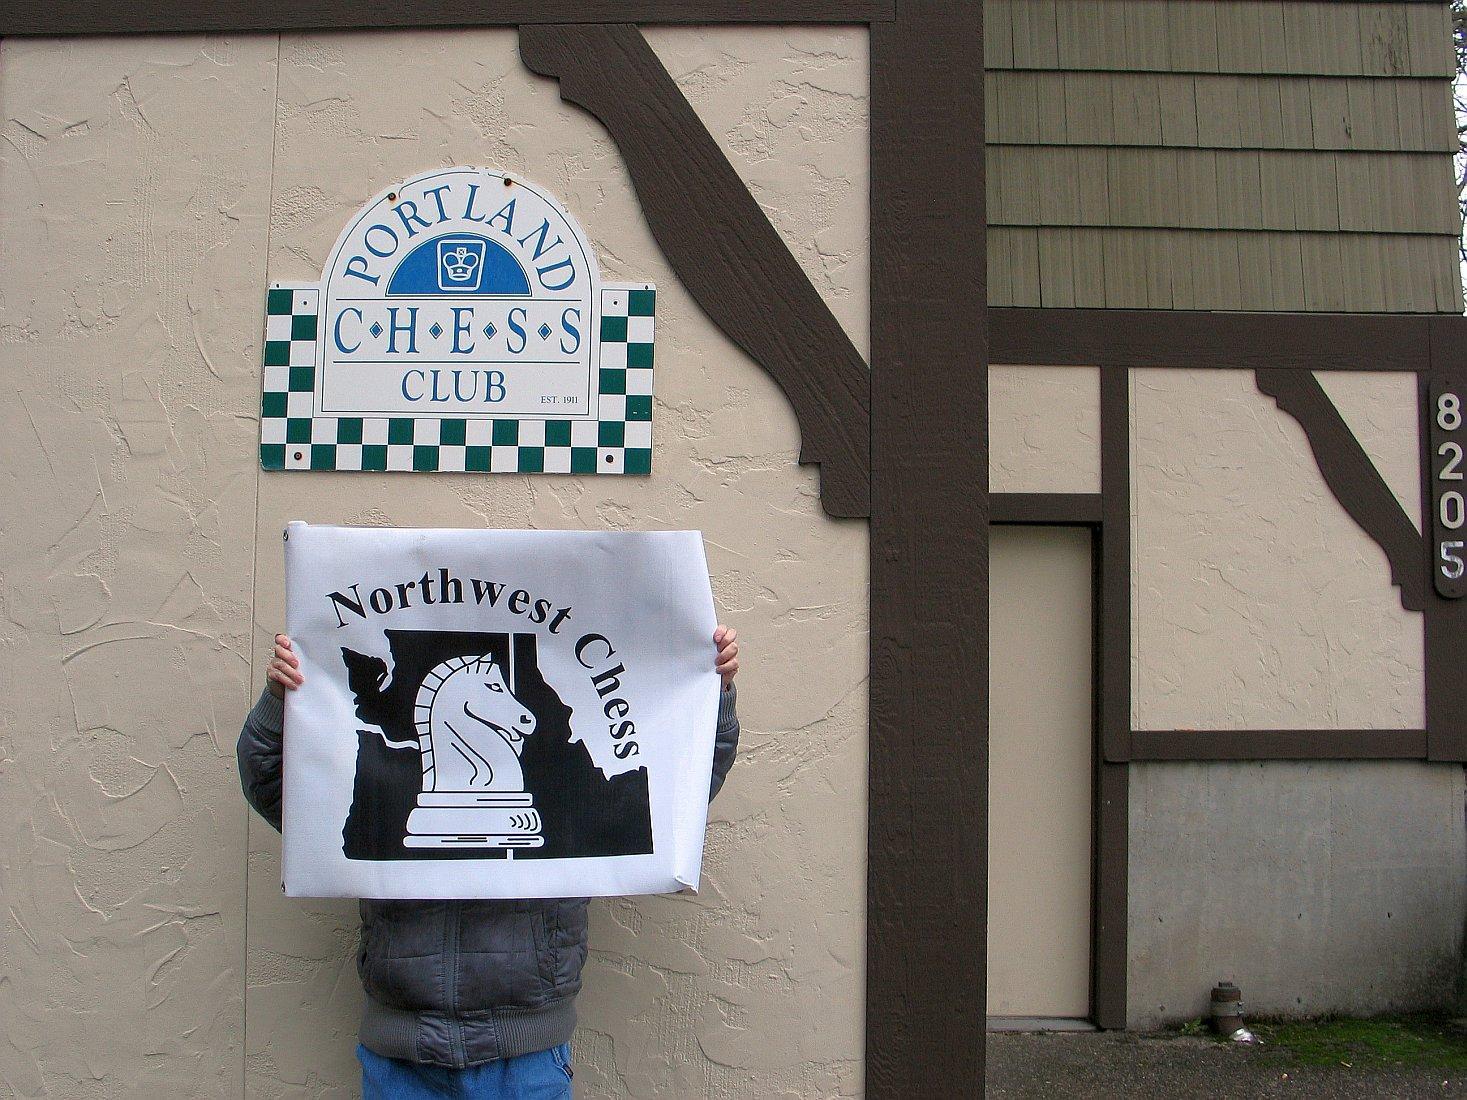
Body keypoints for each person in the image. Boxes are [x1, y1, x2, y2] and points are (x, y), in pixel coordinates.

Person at [238, 625, 741, 1099]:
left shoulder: (566, 773)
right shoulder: (381, 781)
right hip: (400, 1058)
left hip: (527, 1054)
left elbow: (674, 794)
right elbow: (274, 786)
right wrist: (281, 699)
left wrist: (709, 691)